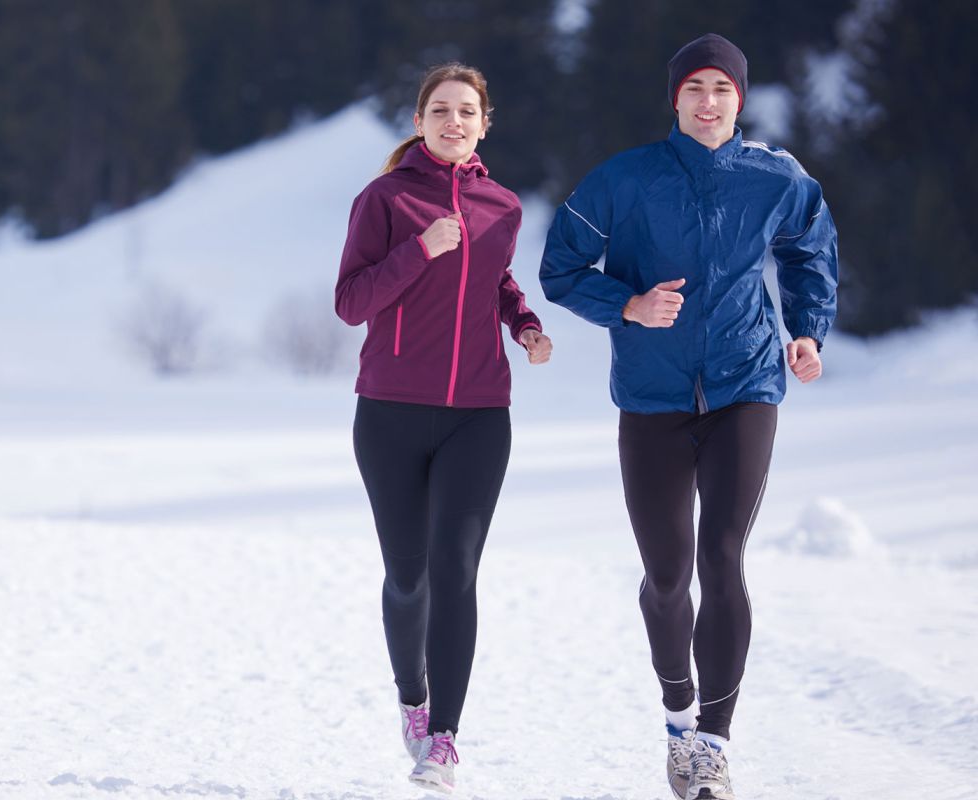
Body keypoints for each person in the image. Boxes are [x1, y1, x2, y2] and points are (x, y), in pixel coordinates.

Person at [539, 33, 838, 800]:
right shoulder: (623, 179)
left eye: (723, 89)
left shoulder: (775, 178)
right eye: (695, 88)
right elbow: (559, 270)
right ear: (674, 98)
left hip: (746, 385)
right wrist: (628, 306)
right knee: (668, 576)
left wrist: (806, 330)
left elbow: (811, 252)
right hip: (652, 396)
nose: (709, 102)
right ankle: (678, 711)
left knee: (724, 558)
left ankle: (712, 743)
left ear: (742, 99)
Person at [334, 62, 552, 794]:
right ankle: (412, 699)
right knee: (409, 576)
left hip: (480, 415)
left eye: (466, 111)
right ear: (419, 121)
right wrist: (418, 249)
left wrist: (523, 323)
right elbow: (350, 301)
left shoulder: (502, 206)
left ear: (485, 123)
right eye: (439, 110)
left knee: (456, 569)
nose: (453, 122)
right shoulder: (386, 198)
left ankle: (445, 741)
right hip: (390, 412)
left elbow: (497, 281)